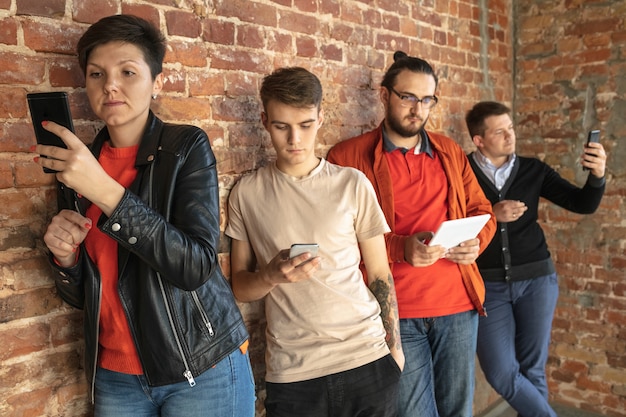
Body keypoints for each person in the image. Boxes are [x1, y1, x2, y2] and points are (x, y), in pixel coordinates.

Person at [33, 15, 254, 417]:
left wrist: (105, 191)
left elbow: (196, 266)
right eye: (97, 73)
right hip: (116, 379)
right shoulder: (78, 166)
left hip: (201, 367)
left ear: (158, 81)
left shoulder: (185, 147)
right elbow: (85, 296)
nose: (110, 85)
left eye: (128, 72)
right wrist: (65, 259)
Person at [226, 66, 404, 417]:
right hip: (294, 375)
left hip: (367, 360)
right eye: (282, 126)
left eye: (305, 125)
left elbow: (380, 274)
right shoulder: (247, 193)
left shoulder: (352, 184)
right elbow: (238, 287)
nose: (295, 139)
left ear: (321, 118)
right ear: (264, 121)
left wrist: (394, 352)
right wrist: (270, 276)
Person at [326, 51, 496, 417]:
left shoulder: (449, 151)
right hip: (394, 312)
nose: (417, 109)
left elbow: (483, 211)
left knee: (458, 412)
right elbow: (335, 239)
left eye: (427, 100)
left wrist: (475, 243)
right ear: (385, 96)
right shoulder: (347, 157)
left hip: (458, 308)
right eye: (408, 97)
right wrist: (401, 247)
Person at [465, 101, 607, 416]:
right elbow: (448, 221)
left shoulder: (533, 169)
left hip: (537, 281)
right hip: (487, 285)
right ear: (479, 140)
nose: (509, 135)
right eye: (499, 131)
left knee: (532, 369)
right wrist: (492, 214)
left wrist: (597, 176)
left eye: (510, 127)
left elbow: (581, 203)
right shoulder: (462, 172)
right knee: (502, 373)